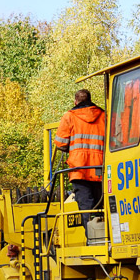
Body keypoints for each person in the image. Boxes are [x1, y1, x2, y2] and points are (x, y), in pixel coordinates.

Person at [55, 89, 105, 234]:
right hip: (100, 169)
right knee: (101, 205)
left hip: (79, 169)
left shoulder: (69, 116)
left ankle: (92, 239)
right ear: (90, 99)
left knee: (86, 206)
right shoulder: (104, 116)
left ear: (75, 101)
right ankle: (104, 238)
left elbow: (60, 144)